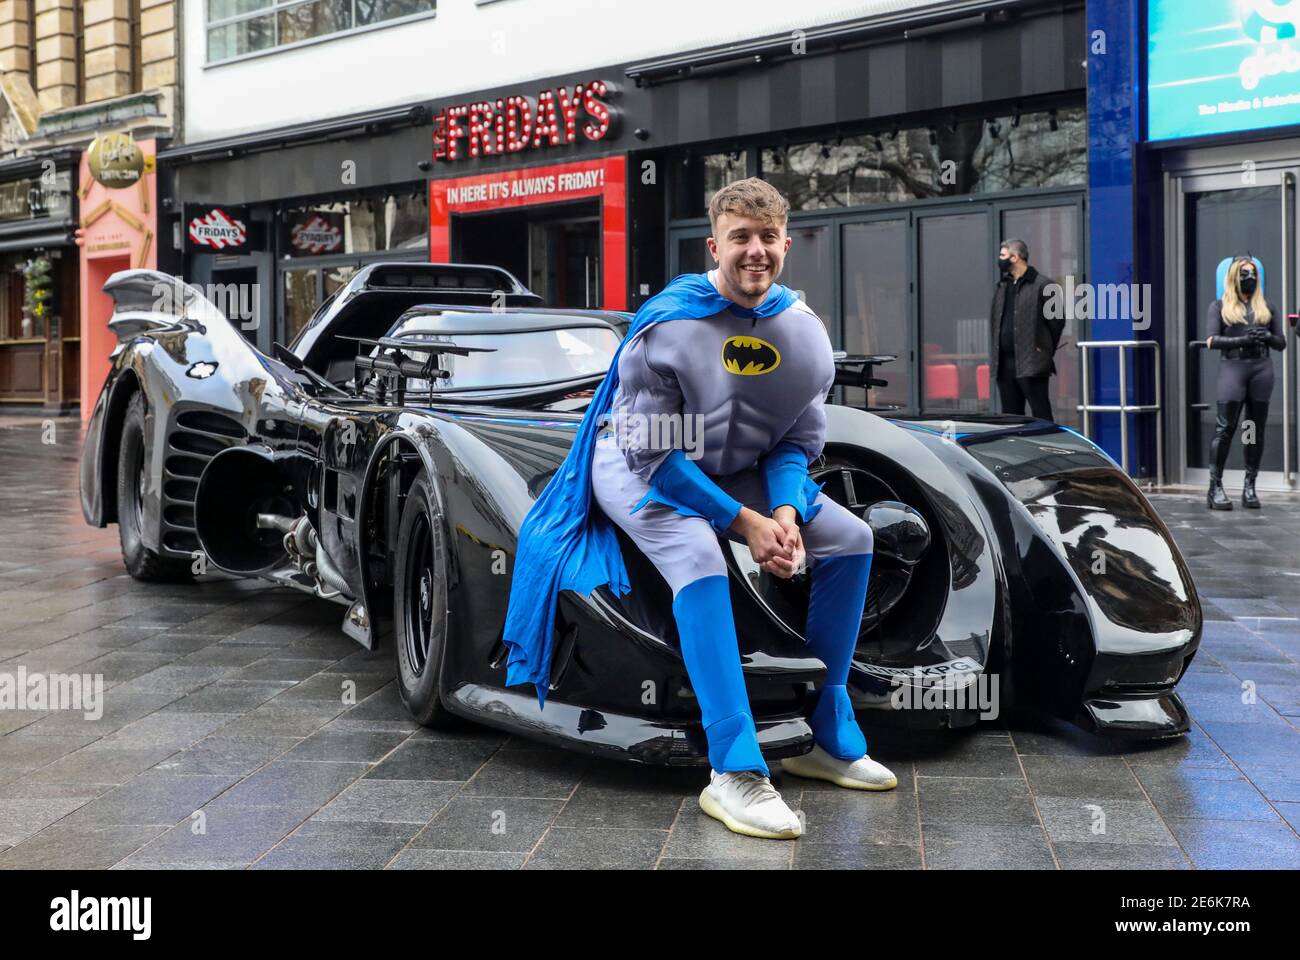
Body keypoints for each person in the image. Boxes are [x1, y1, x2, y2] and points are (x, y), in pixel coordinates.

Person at [502, 178, 896, 841]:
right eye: (740, 237)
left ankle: (827, 734)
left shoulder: (805, 336)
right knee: (696, 552)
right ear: (715, 245)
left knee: (853, 538)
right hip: (635, 466)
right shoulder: (668, 326)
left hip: (731, 467)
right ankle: (734, 770)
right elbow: (654, 459)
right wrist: (747, 525)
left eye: (767, 238)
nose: (755, 252)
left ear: (785, 245)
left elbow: (795, 443)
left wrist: (787, 519)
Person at [1205, 256, 1287, 510]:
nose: (1249, 277)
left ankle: (1249, 486)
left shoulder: (1267, 307)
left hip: (1260, 371)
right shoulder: (1219, 306)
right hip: (1233, 370)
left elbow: (1281, 343)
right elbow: (1211, 341)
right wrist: (1242, 341)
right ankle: (1215, 486)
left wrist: (1267, 336)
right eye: (1244, 273)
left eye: (1252, 273)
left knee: (1252, 429)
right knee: (1225, 428)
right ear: (1233, 277)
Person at [990, 239, 1063, 421]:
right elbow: (995, 321)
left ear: (1015, 257)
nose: (1000, 259)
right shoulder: (1002, 287)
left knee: (1041, 412)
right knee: (1010, 415)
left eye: (1003, 255)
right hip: (1004, 364)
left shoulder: (1045, 285)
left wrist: (1044, 348)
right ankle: (1015, 448)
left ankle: (1047, 447)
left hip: (1032, 362)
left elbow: (1058, 322)